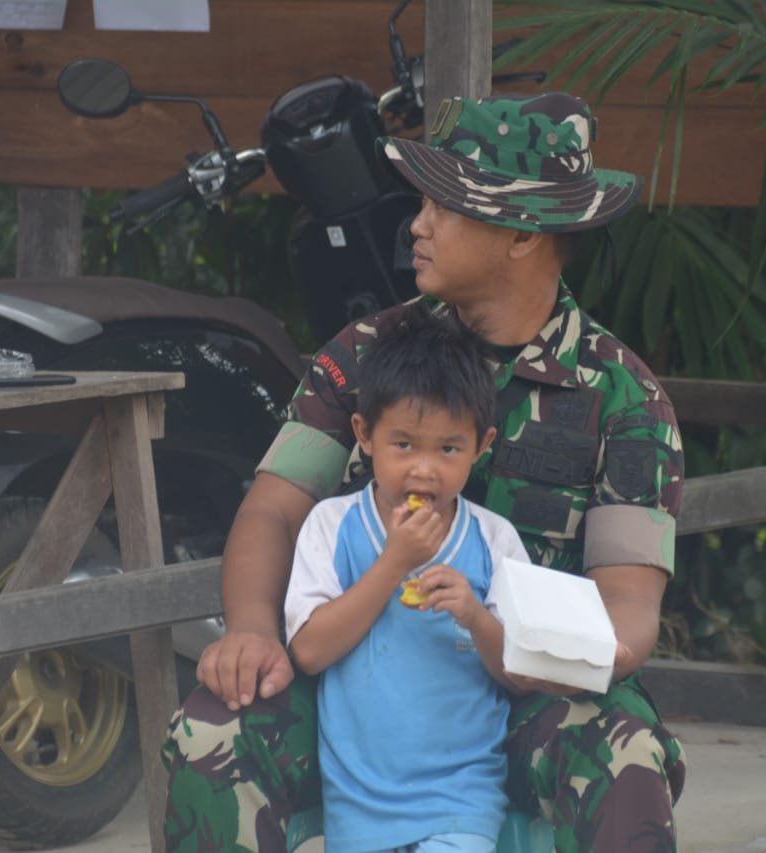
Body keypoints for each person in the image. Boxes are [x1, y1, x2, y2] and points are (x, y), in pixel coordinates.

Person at [163, 91, 688, 853]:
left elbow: (629, 615)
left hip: (531, 693)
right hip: (361, 682)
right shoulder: (368, 353)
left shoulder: (624, 399)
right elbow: (274, 509)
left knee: (627, 756)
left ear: (520, 234)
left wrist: (512, 649)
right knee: (213, 727)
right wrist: (250, 632)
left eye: (445, 206)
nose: (417, 225)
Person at [285, 307, 528, 851]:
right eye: (403, 445)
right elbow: (310, 651)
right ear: (364, 436)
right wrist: (392, 564)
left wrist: (475, 615)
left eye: (448, 448)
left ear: (481, 446)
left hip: (461, 801)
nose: (424, 469)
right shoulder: (334, 526)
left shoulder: (494, 540)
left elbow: (521, 672)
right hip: (358, 807)